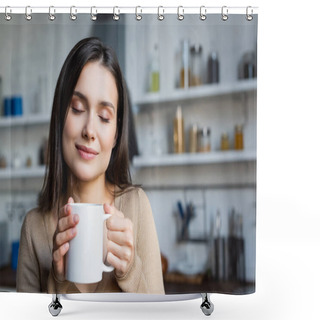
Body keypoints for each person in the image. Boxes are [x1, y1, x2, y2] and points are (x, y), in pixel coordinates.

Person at [16, 37, 165, 294]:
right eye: (76, 108)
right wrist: (58, 278)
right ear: (59, 117)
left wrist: (130, 270)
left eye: (104, 117)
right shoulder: (34, 228)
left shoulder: (136, 207)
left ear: (116, 134)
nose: (89, 130)